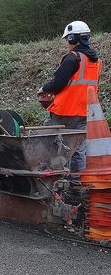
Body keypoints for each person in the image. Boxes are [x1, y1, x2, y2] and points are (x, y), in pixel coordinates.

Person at [38, 20, 103, 173]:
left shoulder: (73, 57)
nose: (67, 43)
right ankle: (76, 184)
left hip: (65, 110)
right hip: (85, 111)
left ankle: (53, 180)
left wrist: (43, 88)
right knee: (78, 148)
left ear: (73, 39)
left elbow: (58, 82)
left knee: (50, 143)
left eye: (68, 39)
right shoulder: (96, 61)